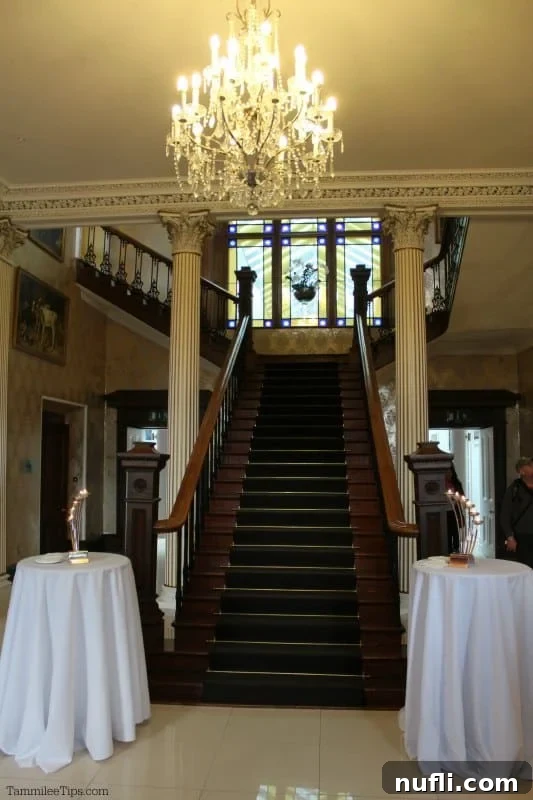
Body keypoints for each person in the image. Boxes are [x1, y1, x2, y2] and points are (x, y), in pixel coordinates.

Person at [500, 457, 533, 568]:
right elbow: (505, 515)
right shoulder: (514, 490)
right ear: (521, 471)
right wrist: (510, 537)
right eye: (530, 465)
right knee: (525, 567)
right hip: (522, 536)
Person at [446, 463, 465, 553]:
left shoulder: (456, 484)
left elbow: (462, 496)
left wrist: (457, 498)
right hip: (445, 512)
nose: (448, 473)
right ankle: (448, 550)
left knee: (455, 532)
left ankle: (457, 550)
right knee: (447, 533)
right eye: (446, 471)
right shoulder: (440, 482)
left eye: (450, 471)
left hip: (455, 511)